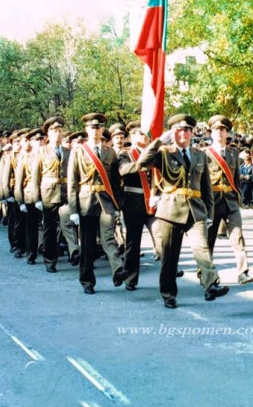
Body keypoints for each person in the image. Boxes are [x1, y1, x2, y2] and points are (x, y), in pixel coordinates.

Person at [136, 114, 229, 309]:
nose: (183, 133)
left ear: (192, 133)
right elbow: (142, 163)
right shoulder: (163, 153)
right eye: (179, 129)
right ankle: (168, 294)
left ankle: (211, 284)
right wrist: (159, 140)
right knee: (170, 256)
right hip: (170, 209)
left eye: (187, 130)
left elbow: (206, 188)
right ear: (173, 132)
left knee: (202, 249)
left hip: (196, 210)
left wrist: (210, 214)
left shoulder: (199, 154)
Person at [67, 113, 129, 294]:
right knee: (87, 244)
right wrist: (73, 210)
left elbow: (116, 182)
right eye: (92, 127)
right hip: (86, 200)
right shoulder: (78, 151)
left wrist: (117, 205)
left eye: (98, 127)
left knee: (108, 236)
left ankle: (118, 270)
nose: (95, 130)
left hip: (106, 201)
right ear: (87, 129)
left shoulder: (110, 152)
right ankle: (87, 280)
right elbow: (72, 182)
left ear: (102, 129)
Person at [204, 115, 253, 285]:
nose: (219, 133)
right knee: (209, 241)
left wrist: (238, 196)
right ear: (211, 133)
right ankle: (206, 273)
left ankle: (243, 272)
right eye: (216, 130)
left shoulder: (233, 153)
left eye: (223, 130)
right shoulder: (204, 153)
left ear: (227, 133)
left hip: (230, 201)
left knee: (237, 237)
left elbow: (237, 178)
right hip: (212, 202)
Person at [117, 120, 161, 290]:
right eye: (140, 133)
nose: (144, 136)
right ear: (132, 137)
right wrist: (142, 162)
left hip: (154, 201)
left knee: (162, 237)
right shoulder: (125, 154)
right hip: (134, 202)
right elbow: (123, 170)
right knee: (133, 243)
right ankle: (130, 277)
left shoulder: (157, 155)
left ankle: (169, 269)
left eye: (145, 133)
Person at [32, 116, 76, 272]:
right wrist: (36, 197)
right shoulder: (41, 151)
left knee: (69, 223)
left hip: (65, 192)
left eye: (60, 130)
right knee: (49, 228)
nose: (58, 134)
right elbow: (35, 177)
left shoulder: (69, 151)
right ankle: (50, 260)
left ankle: (74, 253)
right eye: (54, 131)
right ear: (48, 134)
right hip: (48, 194)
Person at [14, 129, 44, 265]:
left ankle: (47, 249)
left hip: (48, 194)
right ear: (31, 142)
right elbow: (19, 181)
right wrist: (20, 201)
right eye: (36, 140)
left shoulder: (50, 155)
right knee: (31, 225)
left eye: (41, 139)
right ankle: (31, 252)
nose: (39, 142)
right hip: (30, 195)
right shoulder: (26, 158)